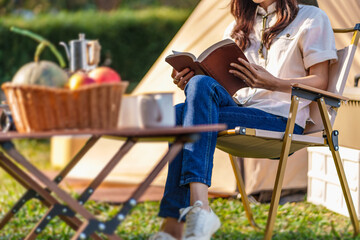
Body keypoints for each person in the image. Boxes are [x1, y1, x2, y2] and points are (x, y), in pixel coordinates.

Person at [150, 0, 337, 239]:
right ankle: (190, 215)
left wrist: (274, 83)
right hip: (241, 109)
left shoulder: (311, 17)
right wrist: (190, 81)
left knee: (180, 115)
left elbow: (320, 81)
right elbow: (224, 88)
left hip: (281, 119)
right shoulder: (237, 28)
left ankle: (184, 219)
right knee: (194, 90)